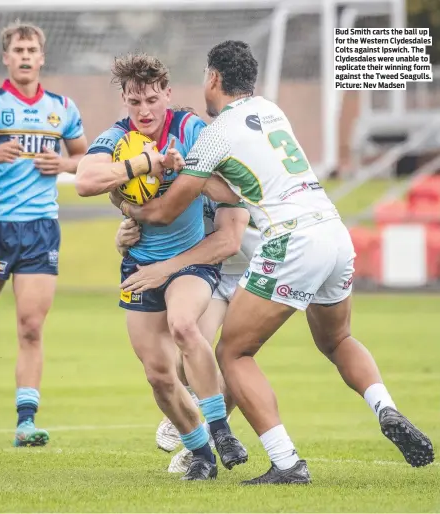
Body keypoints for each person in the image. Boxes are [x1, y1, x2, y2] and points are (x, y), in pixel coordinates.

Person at [114, 40, 435, 485]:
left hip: (292, 241)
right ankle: (385, 406)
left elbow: (167, 211)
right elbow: (233, 186)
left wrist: (127, 206)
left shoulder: (215, 134)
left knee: (232, 353)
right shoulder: (271, 111)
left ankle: (286, 463)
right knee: (338, 340)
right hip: (333, 232)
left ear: (213, 79)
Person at [76, 54, 248, 480]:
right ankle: (201, 454)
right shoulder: (118, 138)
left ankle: (222, 432)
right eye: (135, 102)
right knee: (159, 376)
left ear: (167, 95)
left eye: (152, 99)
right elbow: (84, 181)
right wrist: (143, 165)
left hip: (192, 261)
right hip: (139, 265)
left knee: (185, 327)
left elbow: (233, 189)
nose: (145, 110)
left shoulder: (189, 129)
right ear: (125, 100)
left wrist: (187, 169)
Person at [0, 21, 87, 447]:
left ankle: (26, 422)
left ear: (42, 58)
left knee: (30, 327)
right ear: (5, 57)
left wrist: (61, 164)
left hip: (41, 229)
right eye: (17, 50)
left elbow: (86, 159)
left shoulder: (62, 108)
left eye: (31, 50)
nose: (25, 56)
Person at [118, 197, 258, 473]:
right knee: (190, 349)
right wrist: (122, 235)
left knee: (233, 358)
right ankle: (193, 408)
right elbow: (147, 212)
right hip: (204, 265)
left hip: (252, 268)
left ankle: (213, 433)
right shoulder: (177, 169)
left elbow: (229, 238)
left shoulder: (233, 168)